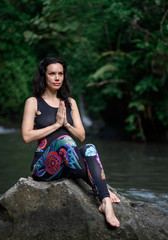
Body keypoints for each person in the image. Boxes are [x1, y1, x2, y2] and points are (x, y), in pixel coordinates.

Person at [21, 57, 120, 227]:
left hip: (68, 163)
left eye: (60, 73)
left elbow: (81, 136)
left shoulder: (69, 102)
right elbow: (26, 136)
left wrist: (66, 123)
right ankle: (102, 189)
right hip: (44, 167)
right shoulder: (33, 102)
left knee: (89, 148)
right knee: (65, 140)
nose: (57, 77)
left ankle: (105, 202)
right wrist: (57, 125)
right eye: (52, 74)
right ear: (43, 76)